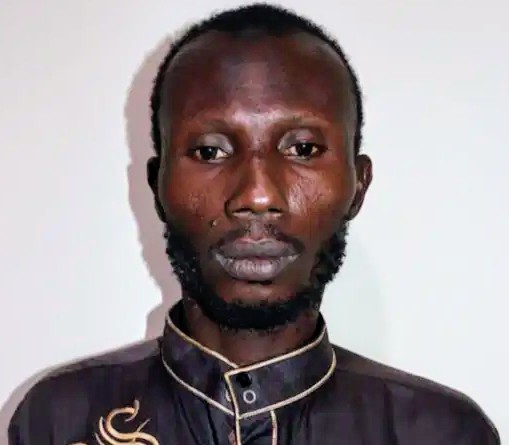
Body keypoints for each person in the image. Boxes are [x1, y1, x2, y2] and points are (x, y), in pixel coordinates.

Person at [8, 3, 499, 445]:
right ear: (158, 186)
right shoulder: (59, 421)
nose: (257, 196)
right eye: (210, 151)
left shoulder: (441, 433)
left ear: (358, 185)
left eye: (303, 148)